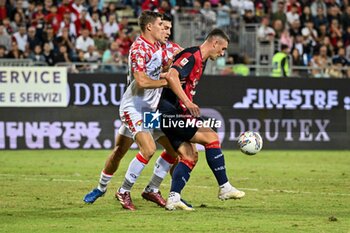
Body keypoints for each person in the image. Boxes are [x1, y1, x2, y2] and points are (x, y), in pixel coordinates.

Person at [83, 12, 182, 211]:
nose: (166, 30)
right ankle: (123, 190)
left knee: (129, 150)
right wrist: (168, 82)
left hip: (150, 110)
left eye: (167, 27)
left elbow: (186, 53)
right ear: (150, 27)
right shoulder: (139, 48)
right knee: (148, 149)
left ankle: (147, 189)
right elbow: (142, 81)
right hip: (134, 107)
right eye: (161, 25)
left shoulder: (162, 46)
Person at [157, 28, 245, 211]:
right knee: (211, 137)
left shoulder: (201, 61)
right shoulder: (192, 55)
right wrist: (187, 102)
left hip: (173, 112)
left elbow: (171, 73)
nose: (222, 54)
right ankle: (224, 187)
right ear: (214, 43)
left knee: (189, 156)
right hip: (170, 111)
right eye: (222, 49)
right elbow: (172, 76)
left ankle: (173, 198)